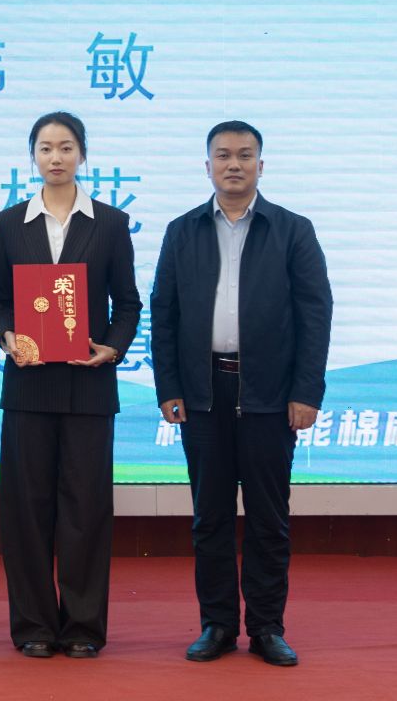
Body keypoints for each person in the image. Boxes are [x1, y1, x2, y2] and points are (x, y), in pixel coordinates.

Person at [151, 120, 333, 668]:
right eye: (224, 155)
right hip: (202, 392)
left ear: (261, 164)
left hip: (270, 394)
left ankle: (268, 627)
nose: (234, 164)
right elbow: (164, 313)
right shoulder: (182, 231)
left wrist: (306, 390)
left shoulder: (292, 230)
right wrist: (168, 387)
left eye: (245, 155)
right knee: (208, 517)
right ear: (206, 165)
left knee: (268, 519)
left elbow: (315, 314)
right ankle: (218, 625)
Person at [0, 111, 142, 660]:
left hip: (88, 387)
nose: (56, 157)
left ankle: (83, 627)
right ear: (33, 156)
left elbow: (128, 303)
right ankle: (33, 623)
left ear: (82, 154)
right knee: (26, 511)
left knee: (86, 510)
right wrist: (7, 335)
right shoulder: (10, 223)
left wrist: (112, 348)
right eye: (46, 147)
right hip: (28, 387)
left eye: (67, 147)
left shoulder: (111, 223)